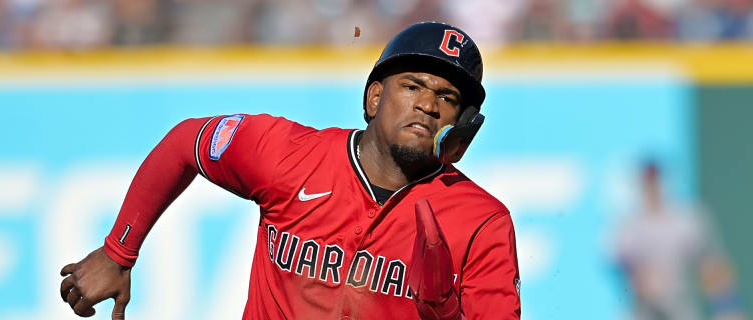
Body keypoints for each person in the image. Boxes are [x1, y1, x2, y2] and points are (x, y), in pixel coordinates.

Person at [59, 21, 521, 320]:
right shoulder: (289, 155)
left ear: (462, 124)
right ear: (375, 97)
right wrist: (118, 251)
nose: (427, 104)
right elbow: (186, 143)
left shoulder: (479, 220)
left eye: (448, 98)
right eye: (413, 85)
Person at [614, 161, 745, 320]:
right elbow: (626, 270)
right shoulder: (627, 226)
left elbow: (712, 267)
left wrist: (727, 308)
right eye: (647, 181)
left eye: (655, 180)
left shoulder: (687, 220)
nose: (652, 186)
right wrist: (643, 281)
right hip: (643, 312)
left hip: (681, 309)